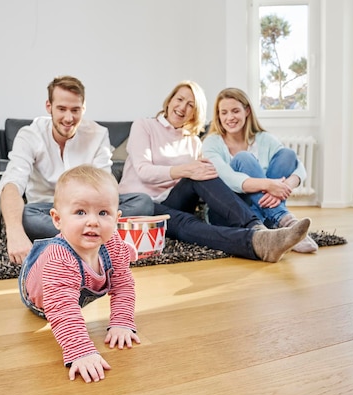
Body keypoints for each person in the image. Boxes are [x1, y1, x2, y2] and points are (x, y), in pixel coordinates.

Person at [118, 80, 311, 263]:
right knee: (188, 221)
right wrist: (187, 170)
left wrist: (195, 173)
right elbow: (144, 171)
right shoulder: (144, 125)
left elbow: (201, 179)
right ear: (169, 101)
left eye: (191, 105)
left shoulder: (193, 141)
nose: (183, 107)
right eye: (179, 99)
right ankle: (257, 241)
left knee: (204, 172)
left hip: (173, 200)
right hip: (142, 202)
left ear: (195, 112)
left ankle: (256, 227)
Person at [0, 75, 153, 265]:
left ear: (84, 108)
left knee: (143, 203)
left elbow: (105, 186)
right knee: (26, 217)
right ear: (49, 107)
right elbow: (12, 183)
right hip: (48, 210)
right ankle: (100, 241)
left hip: (91, 210)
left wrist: (90, 215)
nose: (69, 118)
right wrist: (14, 234)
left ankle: (69, 242)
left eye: (75, 110)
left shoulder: (98, 134)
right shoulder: (29, 135)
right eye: (62, 109)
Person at [18, 164, 140, 383]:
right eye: (80, 212)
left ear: (117, 219)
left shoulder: (112, 244)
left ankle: (118, 255)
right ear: (57, 219)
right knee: (61, 290)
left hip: (77, 285)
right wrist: (81, 351)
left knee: (114, 263)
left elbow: (123, 285)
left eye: (103, 213)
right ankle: (38, 261)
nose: (93, 221)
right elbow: (62, 310)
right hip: (44, 301)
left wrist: (122, 321)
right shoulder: (60, 258)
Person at [202, 87, 318, 253]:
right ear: (218, 116)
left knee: (287, 154)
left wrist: (286, 186)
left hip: (262, 211)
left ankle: (274, 223)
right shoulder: (211, 143)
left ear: (247, 111)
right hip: (229, 212)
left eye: (235, 111)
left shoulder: (264, 139)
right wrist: (269, 185)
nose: (230, 117)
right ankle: (285, 220)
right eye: (224, 112)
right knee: (244, 158)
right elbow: (229, 179)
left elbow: (299, 167)